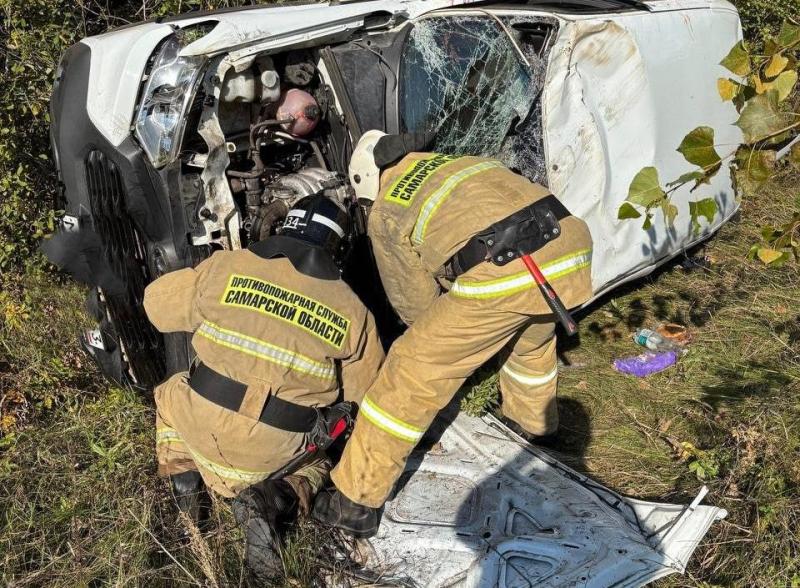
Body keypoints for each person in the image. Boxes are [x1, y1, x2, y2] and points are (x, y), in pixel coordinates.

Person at [313, 131, 594, 537]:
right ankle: (534, 428)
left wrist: (440, 333)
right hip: (570, 243)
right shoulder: (457, 162)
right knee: (530, 343)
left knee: (411, 370)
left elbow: (415, 305)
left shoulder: (387, 210)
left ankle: (355, 498)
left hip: (508, 265)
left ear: (365, 183)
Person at [143, 195, 384, 578]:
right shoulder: (355, 312)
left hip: (201, 426)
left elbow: (156, 306)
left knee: (171, 392)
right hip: (275, 454)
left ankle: (185, 481)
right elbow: (363, 396)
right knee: (319, 464)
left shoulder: (226, 267)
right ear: (337, 248)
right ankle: (277, 498)